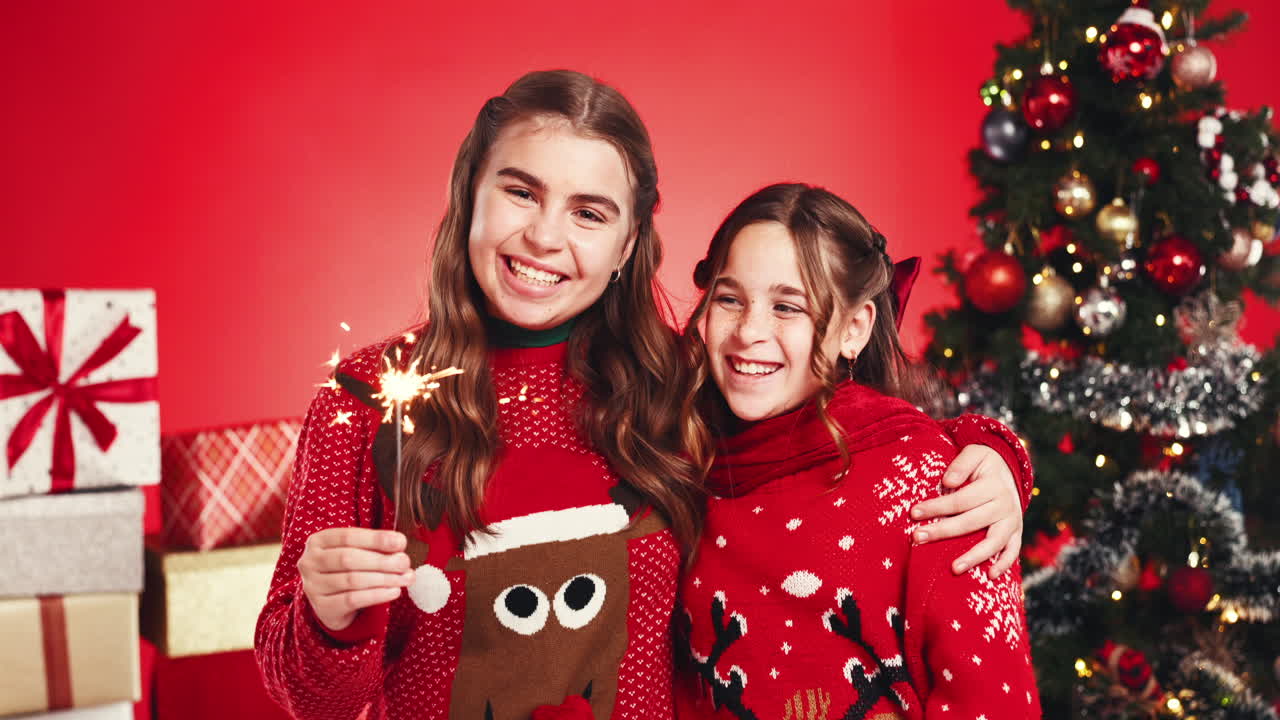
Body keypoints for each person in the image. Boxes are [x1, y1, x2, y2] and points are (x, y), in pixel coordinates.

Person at [255, 71, 1032, 720]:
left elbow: (825, 428)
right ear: (470, 196)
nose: (544, 238)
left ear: (628, 244)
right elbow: (305, 698)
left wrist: (994, 455)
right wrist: (329, 619)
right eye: (520, 193)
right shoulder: (366, 401)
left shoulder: (676, 387)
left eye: (588, 213)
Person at [676, 183, 1040, 719]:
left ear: (853, 329)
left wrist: (999, 452)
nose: (749, 331)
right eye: (730, 299)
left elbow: (993, 702)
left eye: (787, 307)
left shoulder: (935, 485)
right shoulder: (680, 459)